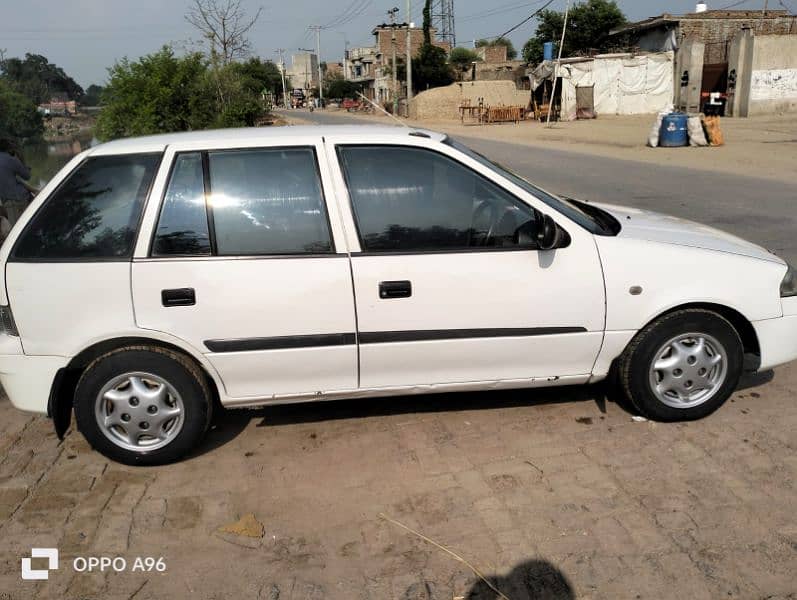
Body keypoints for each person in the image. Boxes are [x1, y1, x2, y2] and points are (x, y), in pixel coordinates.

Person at [0, 139, 36, 238]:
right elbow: (27, 176)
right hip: (19, 199)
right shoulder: (11, 160)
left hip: (6, 202)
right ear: (9, 149)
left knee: (16, 233)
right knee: (23, 232)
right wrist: (20, 159)